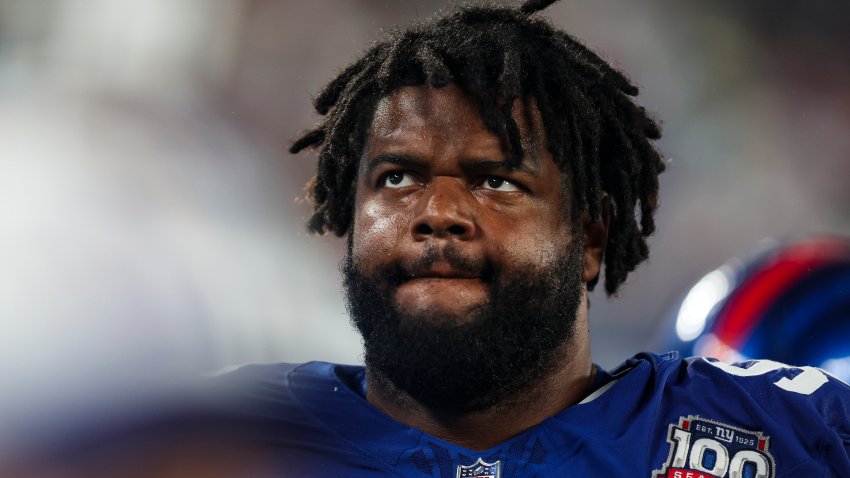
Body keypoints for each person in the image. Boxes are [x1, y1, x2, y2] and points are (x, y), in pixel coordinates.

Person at [214, 0, 850, 476]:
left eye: (497, 181)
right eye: (398, 176)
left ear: (592, 237)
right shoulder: (225, 438)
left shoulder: (791, 432)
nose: (438, 212)